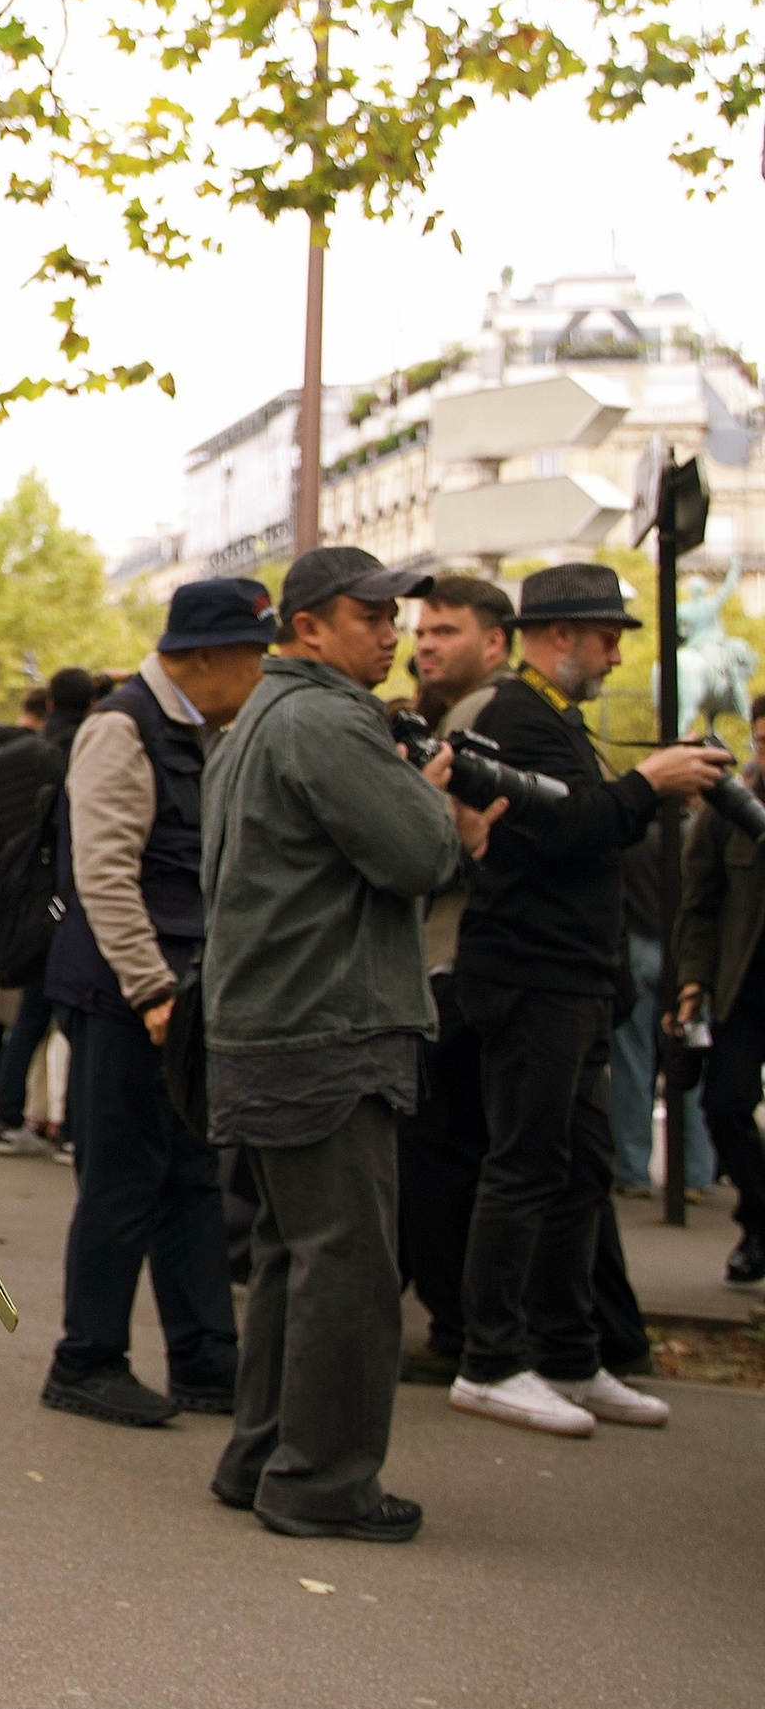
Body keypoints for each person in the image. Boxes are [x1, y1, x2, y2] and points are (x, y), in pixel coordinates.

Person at [202, 547, 478, 1544]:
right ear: (307, 626)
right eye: (371, 616)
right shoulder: (323, 718)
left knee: (293, 1255)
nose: (391, 633)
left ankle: (262, 1456)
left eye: (393, 616)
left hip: (271, 1023)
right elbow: (418, 854)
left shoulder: (262, 718)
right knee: (347, 1266)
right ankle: (320, 1483)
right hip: (325, 1024)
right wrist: (443, 813)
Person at [449, 559, 722, 1437]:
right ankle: (490, 1360)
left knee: (578, 1171)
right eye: (607, 637)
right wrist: (651, 785)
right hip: (531, 976)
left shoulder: (549, 715)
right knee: (526, 1165)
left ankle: (568, 1352)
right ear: (559, 636)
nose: (612, 656)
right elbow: (565, 828)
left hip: (572, 977)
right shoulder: (516, 715)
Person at [40, 575, 274, 1426]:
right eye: (252, 659)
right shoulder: (123, 727)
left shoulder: (194, 728)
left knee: (189, 1179)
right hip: (127, 996)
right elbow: (102, 872)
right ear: (204, 657)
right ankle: (87, 1358)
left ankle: (207, 1359)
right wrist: (151, 990)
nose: (259, 677)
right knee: (123, 1180)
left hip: (173, 990)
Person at [392, 572, 515, 1379]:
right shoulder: (458, 714)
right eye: (421, 631)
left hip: (457, 968)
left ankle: (466, 1324)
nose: (424, 645)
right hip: (448, 966)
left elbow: (440, 849)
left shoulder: (483, 717)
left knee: (445, 1157)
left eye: (447, 632)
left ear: (495, 641)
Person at [0, 665, 97, 1151]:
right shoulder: (85, 752)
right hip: (67, 898)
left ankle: (9, 1115)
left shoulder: (17, 755)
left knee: (28, 1011)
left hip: (26, 893)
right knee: (71, 1020)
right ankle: (70, 1128)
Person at [676, 687, 765, 1286]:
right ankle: (759, 1219)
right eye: (762, 740)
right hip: (745, 985)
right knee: (724, 1104)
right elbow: (699, 905)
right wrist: (692, 982)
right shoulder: (726, 810)